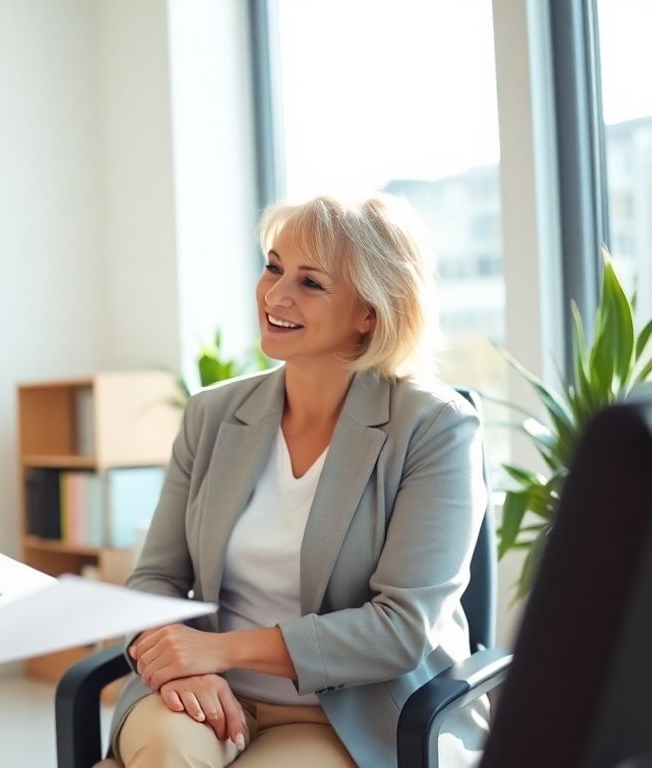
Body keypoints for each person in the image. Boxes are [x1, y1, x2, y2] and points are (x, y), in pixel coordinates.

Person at [110, 193, 489, 768]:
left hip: (345, 713)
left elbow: (402, 629)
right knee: (165, 755)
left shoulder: (434, 425)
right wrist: (173, 663)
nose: (275, 295)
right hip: (202, 694)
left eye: (311, 283)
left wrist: (218, 649)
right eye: (273, 266)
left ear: (370, 311)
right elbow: (156, 578)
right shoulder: (212, 415)